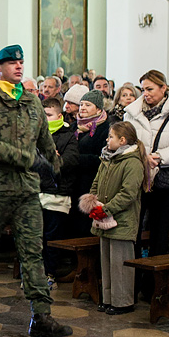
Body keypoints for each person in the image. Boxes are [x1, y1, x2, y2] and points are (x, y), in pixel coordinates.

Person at [0, 45, 72, 337]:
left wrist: (55, 163)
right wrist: (25, 158)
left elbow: (44, 139)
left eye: (21, 62)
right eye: (12, 62)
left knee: (32, 252)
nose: (19, 66)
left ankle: (42, 316)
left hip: (26, 189)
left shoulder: (31, 100)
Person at [124, 70, 169, 258]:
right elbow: (124, 141)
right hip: (138, 179)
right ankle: (136, 276)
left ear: (163, 88)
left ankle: (156, 280)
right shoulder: (132, 113)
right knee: (134, 230)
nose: (145, 93)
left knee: (160, 230)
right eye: (143, 89)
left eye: (150, 89)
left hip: (165, 180)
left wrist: (158, 156)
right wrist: (141, 156)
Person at [82, 122, 150, 315]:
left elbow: (128, 194)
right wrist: (94, 203)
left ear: (122, 140)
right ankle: (108, 298)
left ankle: (123, 302)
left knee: (121, 263)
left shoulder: (132, 162)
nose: (106, 139)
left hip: (123, 219)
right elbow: (96, 183)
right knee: (107, 261)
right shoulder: (107, 159)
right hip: (104, 218)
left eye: (110, 137)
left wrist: (108, 209)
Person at [37, 97, 78, 289]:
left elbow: (70, 160)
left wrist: (53, 159)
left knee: (52, 237)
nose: (45, 120)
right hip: (36, 190)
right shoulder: (35, 134)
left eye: (49, 115)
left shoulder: (68, 135)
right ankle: (34, 274)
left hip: (58, 193)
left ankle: (50, 272)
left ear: (59, 115)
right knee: (36, 236)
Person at [70, 90, 111, 237]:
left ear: (99, 109)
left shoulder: (105, 128)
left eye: (88, 105)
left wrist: (76, 158)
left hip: (91, 180)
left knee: (85, 223)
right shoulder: (75, 127)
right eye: (81, 104)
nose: (82, 108)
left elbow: (102, 157)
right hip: (74, 180)